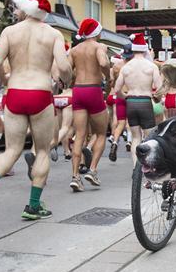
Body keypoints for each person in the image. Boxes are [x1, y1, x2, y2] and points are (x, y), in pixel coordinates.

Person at [0, 0, 71, 220]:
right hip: (40, 92)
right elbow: (63, 67)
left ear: (26, 8)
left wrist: (4, 80)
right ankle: (33, 205)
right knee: (43, 150)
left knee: (12, 149)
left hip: (15, 92)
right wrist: (66, 79)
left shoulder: (9, 31)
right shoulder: (53, 33)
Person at [67, 18, 111, 192]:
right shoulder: (99, 47)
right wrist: (107, 76)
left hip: (78, 90)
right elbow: (104, 63)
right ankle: (92, 170)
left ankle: (75, 176)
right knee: (101, 133)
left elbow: (66, 69)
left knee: (79, 134)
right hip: (93, 90)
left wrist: (67, 82)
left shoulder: (74, 50)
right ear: (97, 33)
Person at [113, 34, 161, 165]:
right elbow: (159, 87)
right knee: (150, 137)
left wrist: (125, 97)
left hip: (131, 102)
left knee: (135, 137)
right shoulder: (151, 66)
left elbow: (117, 89)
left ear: (133, 49)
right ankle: (149, 165)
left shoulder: (126, 67)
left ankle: (136, 167)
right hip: (145, 101)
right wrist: (158, 99)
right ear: (145, 49)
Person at [107, 46, 133, 161]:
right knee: (130, 122)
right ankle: (129, 140)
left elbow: (111, 82)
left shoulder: (117, 66)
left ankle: (115, 141)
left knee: (120, 122)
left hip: (119, 95)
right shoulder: (134, 65)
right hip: (131, 94)